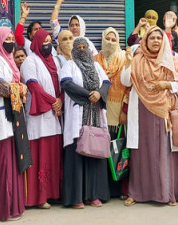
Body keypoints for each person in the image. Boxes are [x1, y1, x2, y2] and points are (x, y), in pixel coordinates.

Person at [120, 26, 178, 206]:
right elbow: (125, 81)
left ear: (164, 40)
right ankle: (137, 193)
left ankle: (167, 193)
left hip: (163, 111)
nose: (156, 41)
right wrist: (128, 63)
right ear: (145, 41)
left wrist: (167, 84)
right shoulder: (137, 59)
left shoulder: (172, 61)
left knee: (163, 151)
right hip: (141, 110)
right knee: (141, 152)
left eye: (159, 38)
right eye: (152, 38)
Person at [60, 37, 111, 208]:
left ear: (90, 50)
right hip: (78, 115)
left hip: (95, 114)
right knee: (77, 154)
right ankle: (77, 198)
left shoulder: (96, 66)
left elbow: (106, 82)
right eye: (78, 47)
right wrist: (88, 95)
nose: (81, 50)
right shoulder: (69, 65)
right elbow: (66, 83)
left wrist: (98, 93)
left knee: (94, 151)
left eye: (84, 47)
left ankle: (94, 195)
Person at [0, 27, 28, 221]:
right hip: (1, 117)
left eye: (12, 38)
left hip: (14, 116)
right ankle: (2, 209)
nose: (10, 42)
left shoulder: (10, 62)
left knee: (13, 163)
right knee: (3, 165)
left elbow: (13, 87)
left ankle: (14, 206)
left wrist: (19, 88)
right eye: (6, 39)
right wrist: (21, 88)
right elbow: (1, 87)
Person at [20, 28, 63, 209]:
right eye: (43, 41)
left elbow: (61, 85)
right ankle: (39, 197)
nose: (47, 44)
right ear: (36, 42)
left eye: (49, 41)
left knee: (53, 155)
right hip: (39, 116)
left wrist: (60, 100)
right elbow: (34, 87)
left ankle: (53, 193)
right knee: (40, 155)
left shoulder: (54, 61)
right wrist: (54, 101)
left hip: (54, 115)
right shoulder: (30, 61)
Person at [94, 28, 129, 133]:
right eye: (107, 39)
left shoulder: (125, 58)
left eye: (113, 40)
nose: (110, 42)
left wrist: (124, 111)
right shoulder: (95, 59)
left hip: (117, 111)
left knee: (114, 146)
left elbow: (129, 87)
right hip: (98, 108)